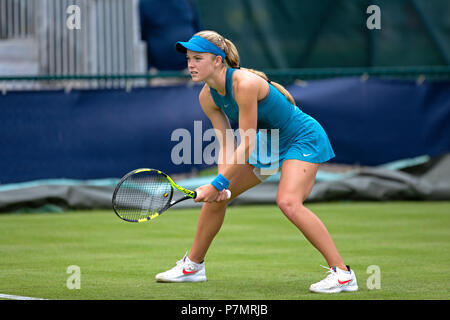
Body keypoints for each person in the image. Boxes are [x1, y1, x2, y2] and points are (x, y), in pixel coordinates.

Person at [155, 30, 358, 294]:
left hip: (301, 138)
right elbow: (227, 145)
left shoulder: (244, 84)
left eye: (198, 58)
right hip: (268, 142)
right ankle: (193, 266)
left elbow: (246, 142)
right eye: (189, 59)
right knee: (218, 199)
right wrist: (221, 185)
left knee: (288, 202)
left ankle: (342, 274)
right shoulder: (206, 96)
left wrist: (218, 183)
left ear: (218, 61)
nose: (191, 65)